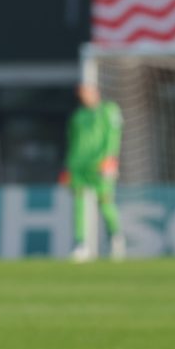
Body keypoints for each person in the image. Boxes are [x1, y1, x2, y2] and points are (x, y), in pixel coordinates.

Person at [60, 81, 124, 262]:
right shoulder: (77, 116)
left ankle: (115, 237)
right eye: (81, 94)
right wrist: (67, 167)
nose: (84, 96)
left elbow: (114, 135)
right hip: (78, 166)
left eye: (86, 92)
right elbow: (72, 142)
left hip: (101, 164)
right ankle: (81, 244)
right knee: (79, 204)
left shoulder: (109, 110)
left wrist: (111, 158)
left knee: (105, 201)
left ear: (95, 92)